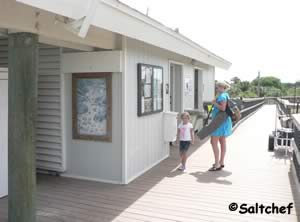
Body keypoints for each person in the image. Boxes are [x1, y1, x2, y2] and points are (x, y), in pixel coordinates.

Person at [209, 81, 232, 171]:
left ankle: (217, 164)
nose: (216, 88)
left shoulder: (222, 96)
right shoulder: (226, 95)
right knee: (222, 141)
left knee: (213, 142)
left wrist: (214, 103)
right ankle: (221, 161)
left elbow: (222, 108)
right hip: (224, 120)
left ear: (221, 87)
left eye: (217, 87)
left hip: (219, 121)